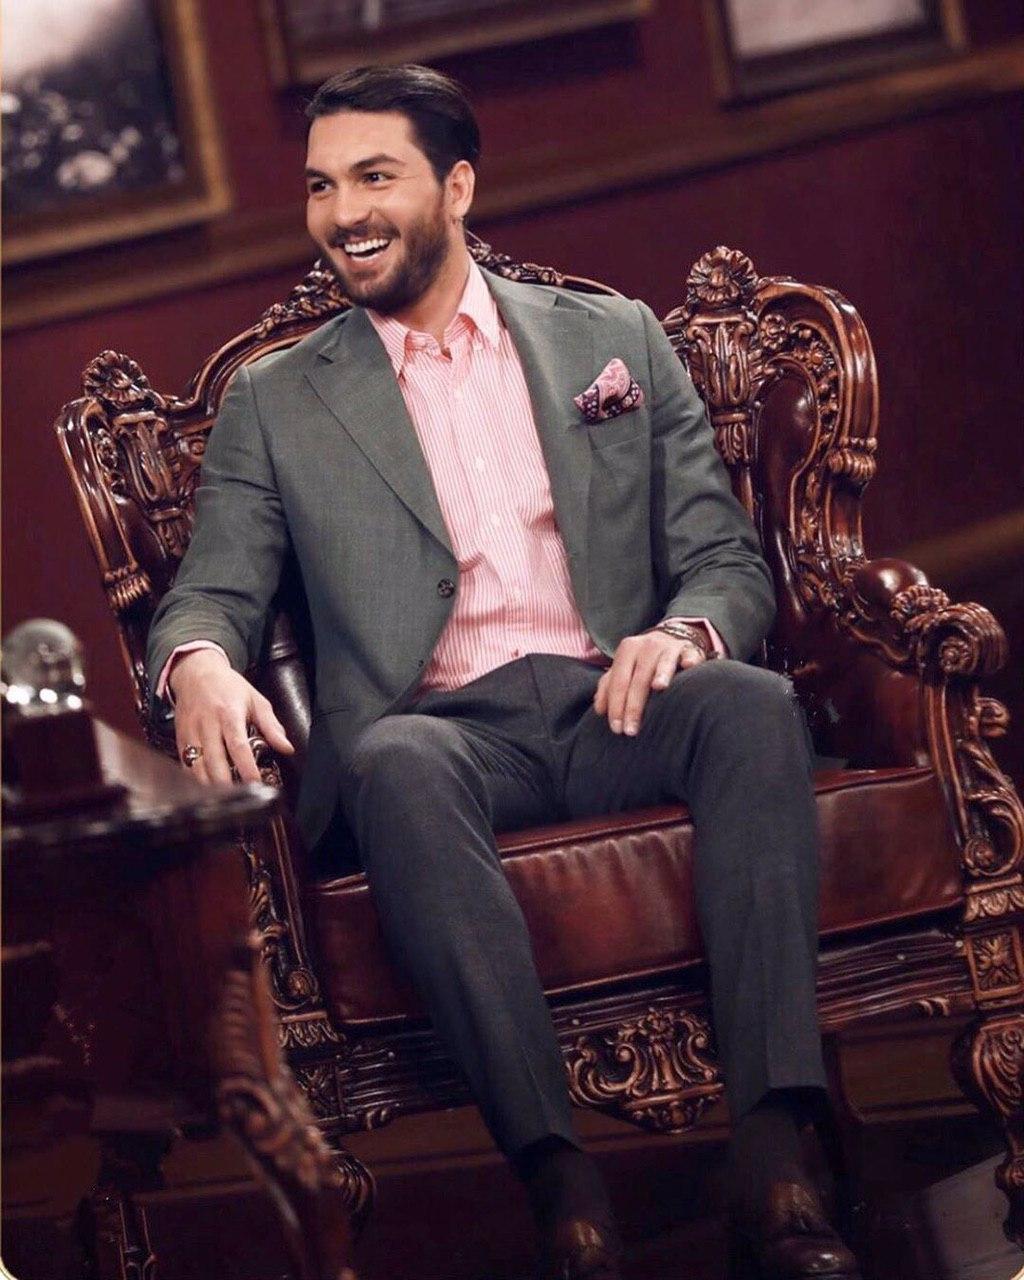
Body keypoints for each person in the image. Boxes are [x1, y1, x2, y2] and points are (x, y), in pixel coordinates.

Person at [147, 64, 861, 1280]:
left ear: (457, 187)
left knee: (748, 704)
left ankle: (776, 1162)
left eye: (375, 177)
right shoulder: (275, 400)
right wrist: (201, 660)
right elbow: (210, 589)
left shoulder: (612, 338)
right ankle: (561, 1188)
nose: (342, 213)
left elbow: (721, 558)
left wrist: (683, 635)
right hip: (443, 735)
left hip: (615, 702)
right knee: (395, 761)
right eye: (320, 186)